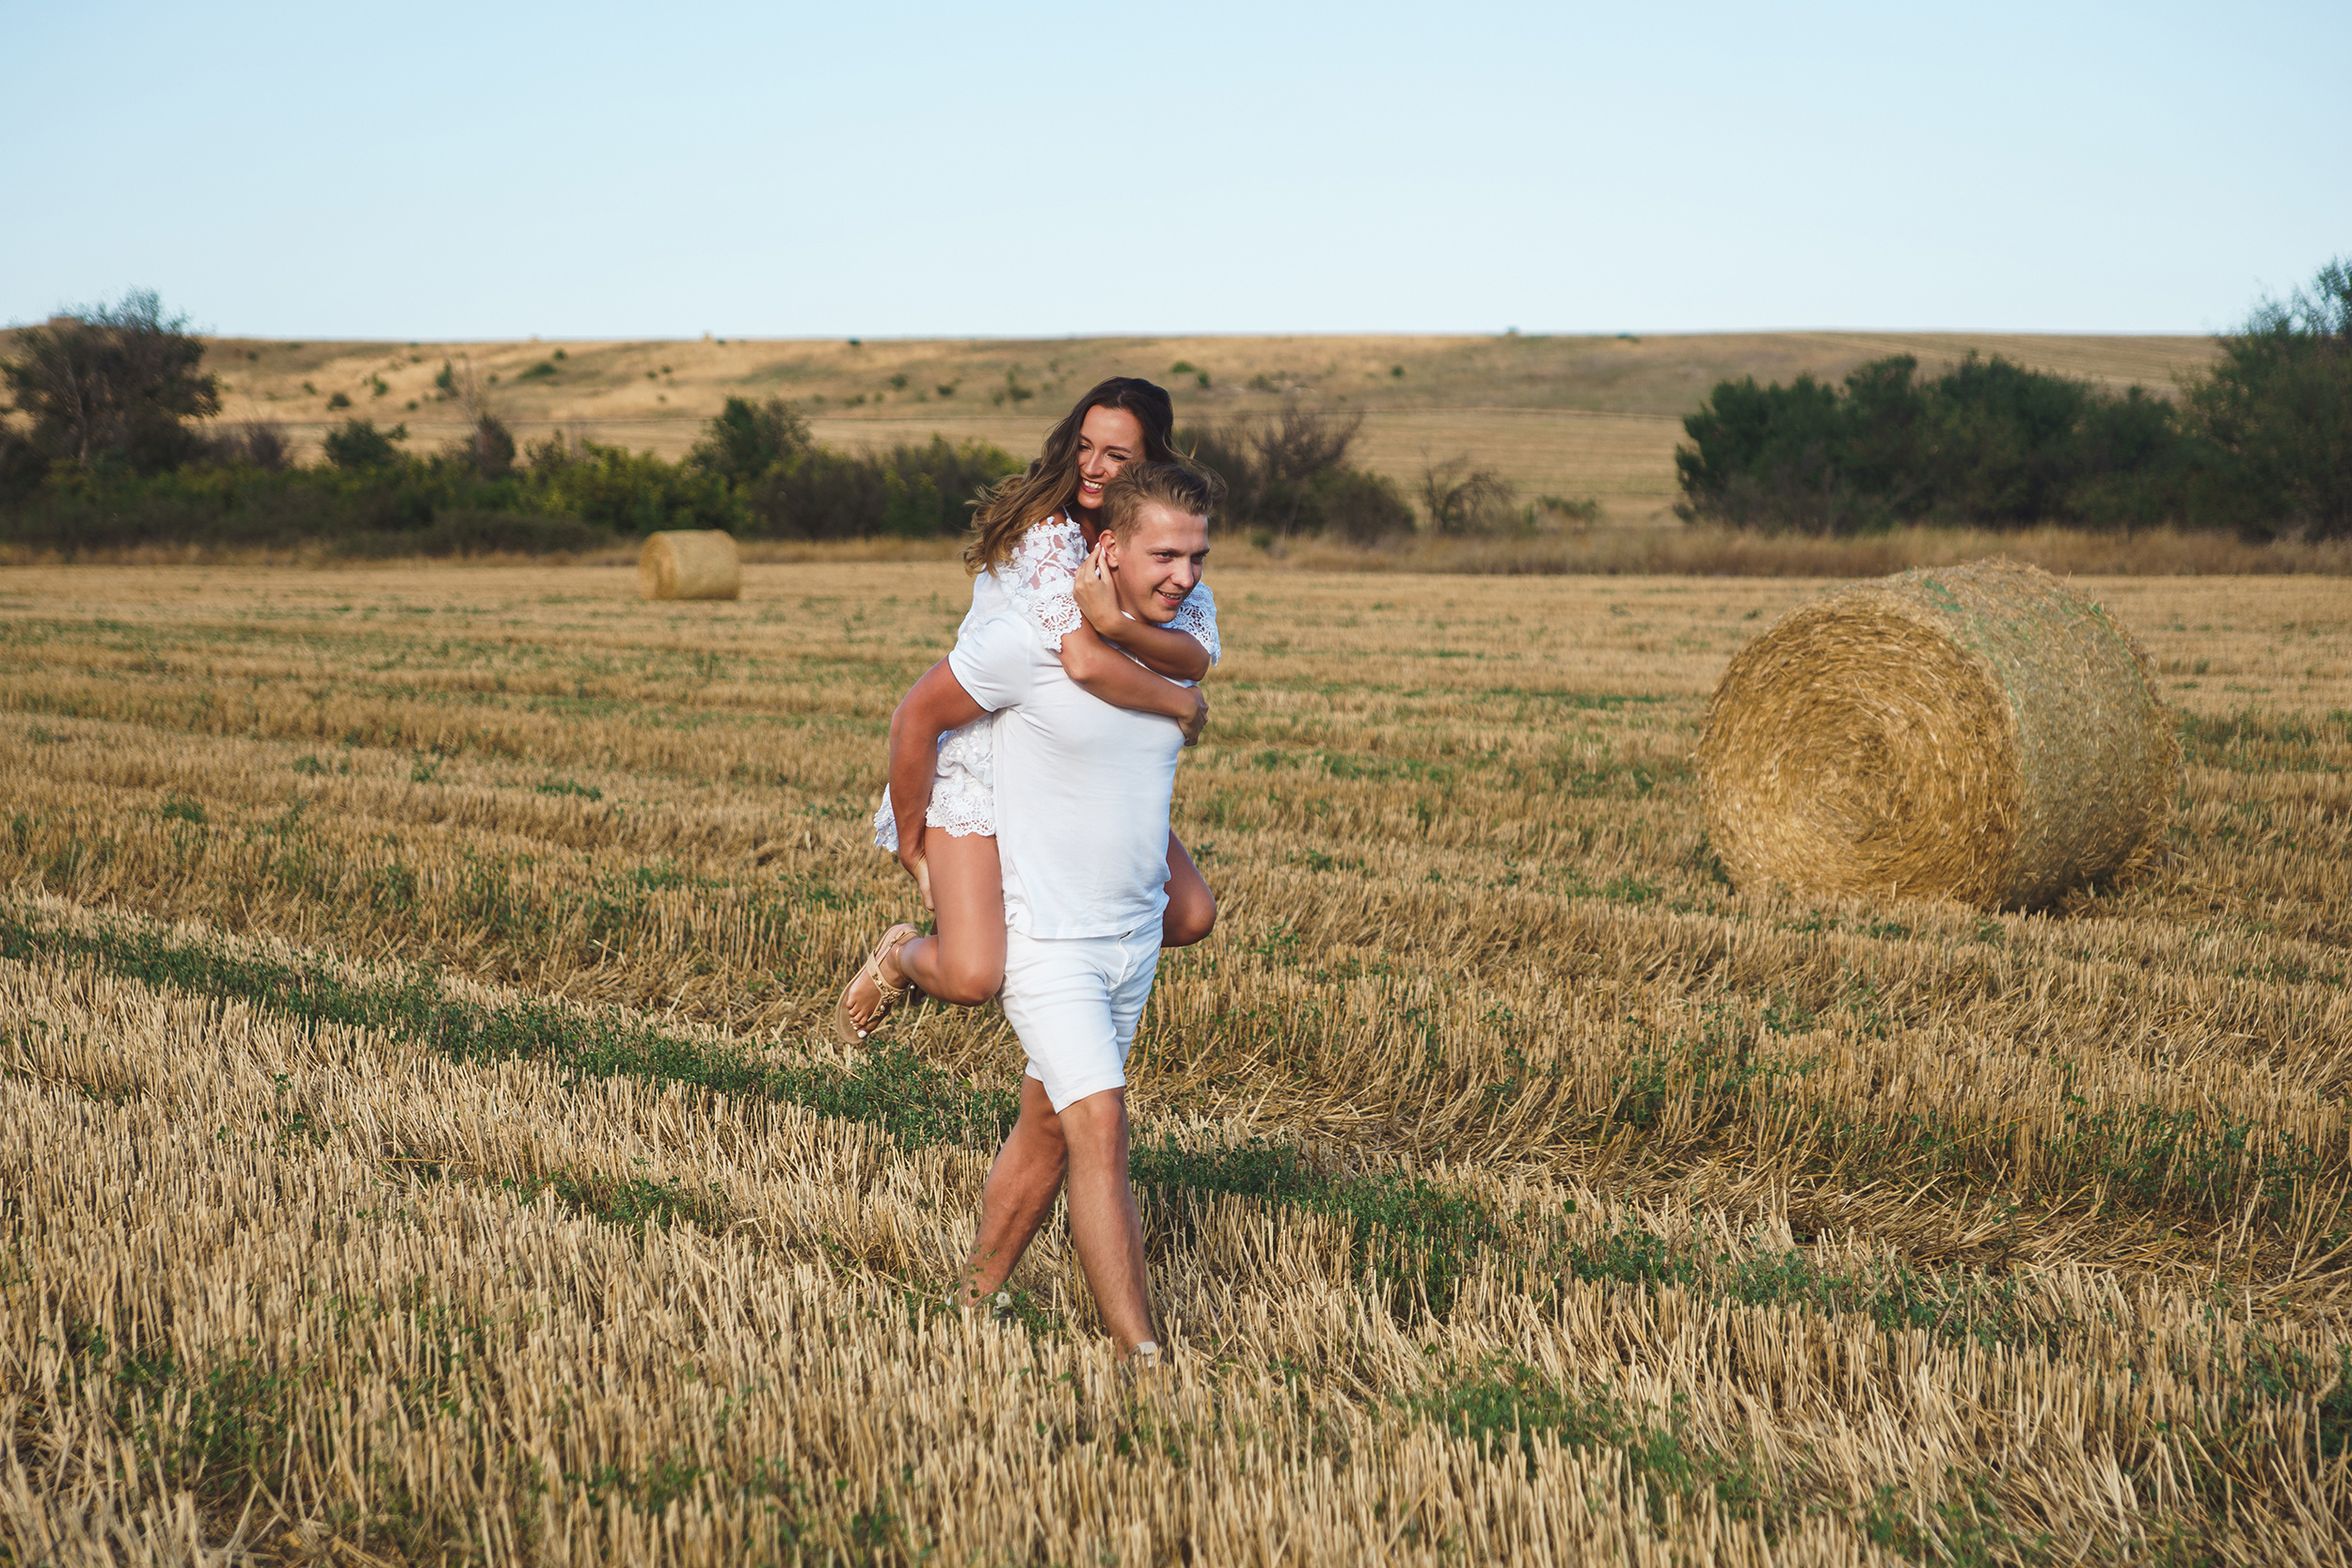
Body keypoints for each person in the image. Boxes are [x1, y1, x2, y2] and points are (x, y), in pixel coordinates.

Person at [866, 463, 1215, 1357]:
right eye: (1164, 554)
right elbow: (919, 718)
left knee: (1052, 1125)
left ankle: (971, 1300)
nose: (1184, 574)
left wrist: (1159, 665)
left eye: (1198, 556)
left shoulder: (1182, 634)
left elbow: (1189, 676)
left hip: (1132, 937)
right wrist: (917, 845)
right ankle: (1141, 1353)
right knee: (1100, 1123)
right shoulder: (1027, 640)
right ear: (1107, 547)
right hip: (1047, 938)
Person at [835, 378, 1219, 1044]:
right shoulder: (1049, 540)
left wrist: (1126, 630)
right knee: (972, 976)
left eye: (1117, 457)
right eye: (1084, 448)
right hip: (990, 766)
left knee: (1187, 915)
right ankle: (901, 954)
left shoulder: (1159, 549)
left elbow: (1193, 653)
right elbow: (1083, 661)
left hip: (1076, 770)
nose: (1093, 468)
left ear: (1151, 464)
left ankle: (1034, 942)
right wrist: (1183, 705)